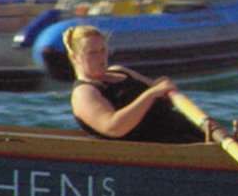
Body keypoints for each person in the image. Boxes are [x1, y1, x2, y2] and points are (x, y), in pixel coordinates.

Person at [66, 23, 205, 143]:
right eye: (92, 53)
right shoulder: (84, 93)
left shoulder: (119, 71)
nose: (101, 57)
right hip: (160, 149)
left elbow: (156, 88)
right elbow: (113, 127)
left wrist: (161, 86)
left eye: (103, 50)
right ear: (74, 57)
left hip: (186, 134)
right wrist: (150, 95)